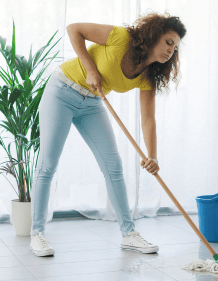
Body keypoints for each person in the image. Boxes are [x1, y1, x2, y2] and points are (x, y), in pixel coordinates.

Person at [29, 11, 187, 257]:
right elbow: (74, 29)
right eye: (168, 42)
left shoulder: (148, 76)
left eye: (175, 48)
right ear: (155, 35)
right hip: (62, 90)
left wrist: (152, 157)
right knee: (48, 164)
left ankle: (129, 235)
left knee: (113, 166)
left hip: (92, 103)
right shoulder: (121, 37)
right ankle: (37, 234)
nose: (171, 50)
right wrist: (90, 69)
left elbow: (148, 119)